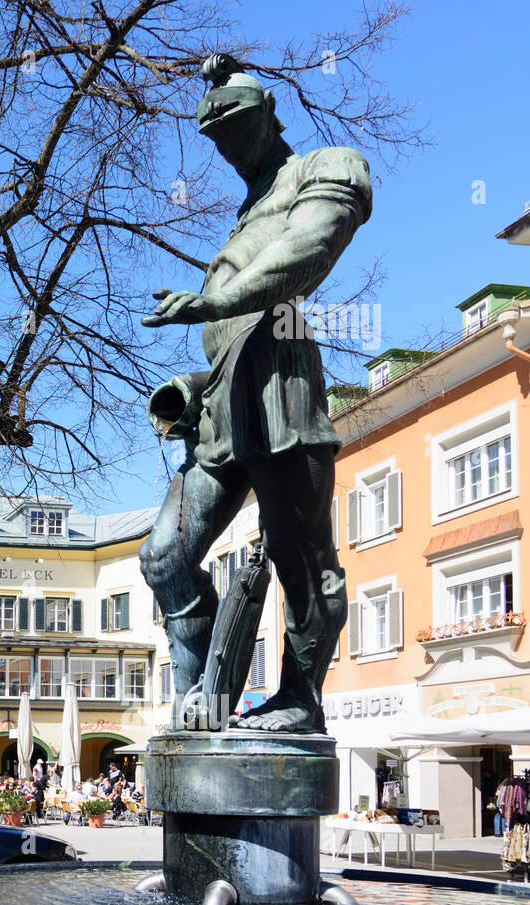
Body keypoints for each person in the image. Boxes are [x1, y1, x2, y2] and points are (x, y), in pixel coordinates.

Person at [139, 53, 370, 734]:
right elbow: (232, 331)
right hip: (222, 413)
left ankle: (301, 698)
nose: (228, 146)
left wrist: (216, 303)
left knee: (302, 558)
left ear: (271, 114)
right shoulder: (244, 213)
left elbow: (304, 252)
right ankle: (203, 703)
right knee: (164, 555)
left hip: (283, 395)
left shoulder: (325, 168)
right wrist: (191, 388)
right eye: (217, 138)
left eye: (239, 127)